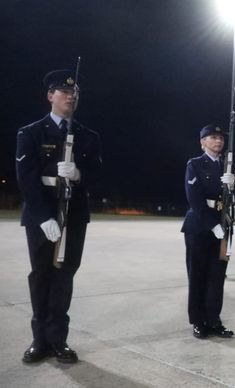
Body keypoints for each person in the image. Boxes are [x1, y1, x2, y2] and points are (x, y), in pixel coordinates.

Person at [16, 69, 102, 363]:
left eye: (74, 93)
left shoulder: (88, 136)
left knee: (64, 275)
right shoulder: (31, 133)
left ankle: (58, 339)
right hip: (42, 215)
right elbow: (26, 178)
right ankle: (39, 339)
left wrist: (78, 173)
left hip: (74, 213)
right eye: (64, 92)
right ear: (50, 96)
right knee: (41, 275)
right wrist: (42, 217)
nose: (70, 96)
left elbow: (97, 174)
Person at [181, 125, 234, 340]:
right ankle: (198, 321)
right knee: (198, 275)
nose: (218, 141)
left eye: (220, 138)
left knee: (217, 276)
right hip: (200, 227)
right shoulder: (195, 164)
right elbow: (194, 198)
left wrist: (232, 186)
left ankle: (214, 320)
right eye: (213, 137)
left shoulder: (226, 166)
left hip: (223, 226)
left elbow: (230, 201)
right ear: (202, 142)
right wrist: (213, 225)